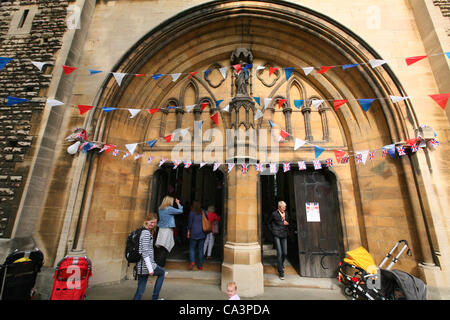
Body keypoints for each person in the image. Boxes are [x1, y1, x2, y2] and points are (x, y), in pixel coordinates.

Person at [133, 213, 165, 300]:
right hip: (146, 265)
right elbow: (145, 252)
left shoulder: (143, 231)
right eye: (151, 222)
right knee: (162, 273)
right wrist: (150, 269)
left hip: (141, 265)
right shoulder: (146, 233)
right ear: (146, 221)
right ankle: (155, 297)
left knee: (140, 289)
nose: (153, 224)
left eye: (154, 223)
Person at [155, 196, 183, 267]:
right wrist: (178, 203)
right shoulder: (169, 209)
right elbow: (180, 211)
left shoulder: (160, 208)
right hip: (167, 230)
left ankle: (159, 266)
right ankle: (160, 266)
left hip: (161, 229)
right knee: (164, 248)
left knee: (161, 248)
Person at [268, 201, 289, 280]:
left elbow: (286, 222)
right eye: (283, 207)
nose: (285, 208)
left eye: (285, 207)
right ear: (279, 207)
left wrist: (287, 223)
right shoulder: (274, 214)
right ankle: (281, 272)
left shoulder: (286, 213)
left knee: (285, 252)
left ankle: (281, 264)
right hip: (276, 235)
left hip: (284, 234)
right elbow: (268, 223)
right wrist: (273, 231)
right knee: (279, 253)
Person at [187, 201, 206, 270]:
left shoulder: (192, 212)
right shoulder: (203, 212)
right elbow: (206, 220)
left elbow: (190, 223)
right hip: (202, 232)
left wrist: (188, 231)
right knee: (201, 249)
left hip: (194, 232)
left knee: (192, 248)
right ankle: (200, 265)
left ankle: (192, 262)